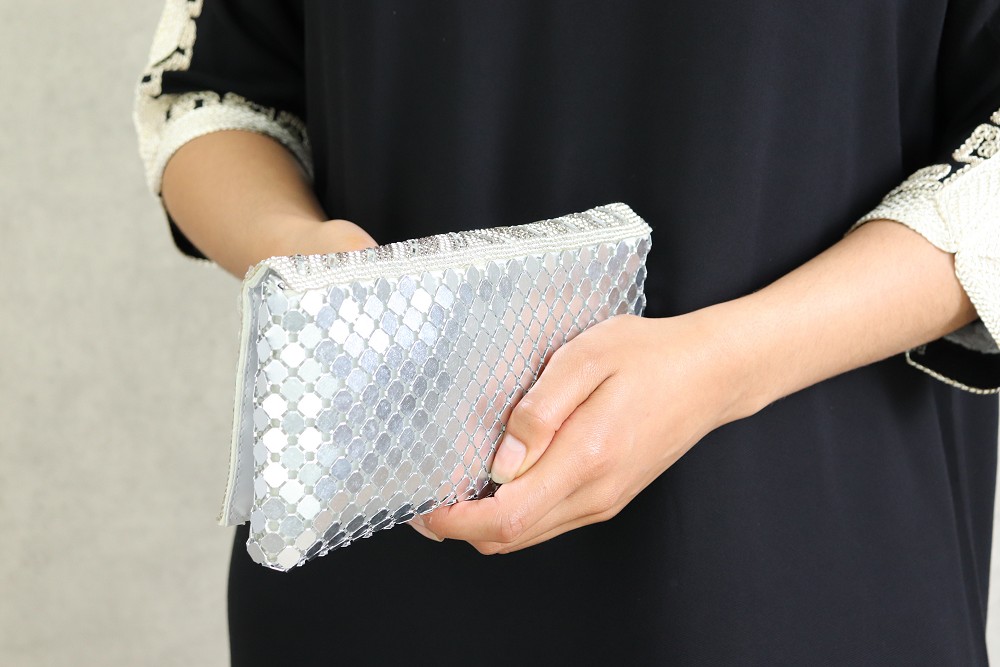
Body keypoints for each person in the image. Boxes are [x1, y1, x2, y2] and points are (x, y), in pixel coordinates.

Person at [135, 1, 1000, 664]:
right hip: (363, 569)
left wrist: (727, 362)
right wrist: (312, 262)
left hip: (790, 575)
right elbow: (211, 95)